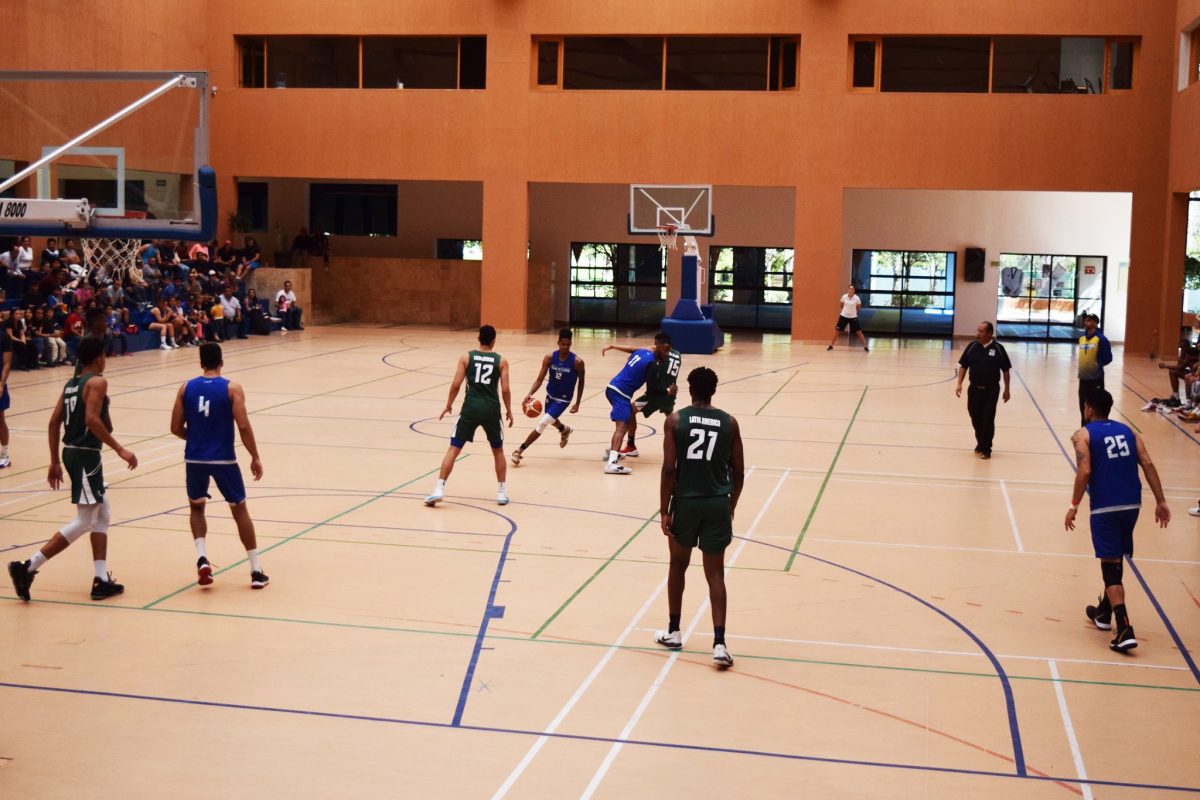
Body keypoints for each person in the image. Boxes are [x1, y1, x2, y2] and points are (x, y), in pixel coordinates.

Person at [7, 337, 138, 602]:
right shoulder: (97, 382)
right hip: (86, 454)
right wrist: (120, 449)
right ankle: (27, 567)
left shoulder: (71, 384)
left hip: (72, 453)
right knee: (85, 520)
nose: (106, 360)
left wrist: (54, 460)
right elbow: (91, 419)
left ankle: (101, 579)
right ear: (97, 357)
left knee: (103, 513)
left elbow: (54, 422)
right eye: (104, 355)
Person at [1065, 388, 1170, 653]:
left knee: (1109, 565)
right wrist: (1161, 501)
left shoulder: (1083, 434)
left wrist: (1073, 505)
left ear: (1088, 408)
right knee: (1114, 557)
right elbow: (1147, 463)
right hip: (1132, 503)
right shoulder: (1129, 431)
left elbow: (1085, 470)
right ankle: (1103, 613)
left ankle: (1124, 628)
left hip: (1105, 506)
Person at [654, 367, 745, 668]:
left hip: (687, 503)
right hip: (717, 503)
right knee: (715, 574)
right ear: (714, 390)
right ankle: (719, 643)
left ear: (690, 389)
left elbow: (669, 468)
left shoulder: (676, 420)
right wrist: (731, 503)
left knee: (678, 566)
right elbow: (739, 471)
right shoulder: (729, 423)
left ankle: (674, 631)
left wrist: (664, 508)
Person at [170, 343, 268, 589]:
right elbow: (243, 426)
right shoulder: (232, 388)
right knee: (239, 510)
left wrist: (194, 439)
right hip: (223, 459)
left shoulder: (186, 388)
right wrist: (254, 456)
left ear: (201, 363)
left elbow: (174, 427)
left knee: (196, 508)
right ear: (221, 362)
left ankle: (202, 558)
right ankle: (256, 571)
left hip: (194, 459)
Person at [424, 325, 514, 506]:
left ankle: (439, 488)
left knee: (454, 449)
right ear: (493, 340)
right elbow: (505, 389)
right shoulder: (501, 361)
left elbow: (456, 384)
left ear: (478, 338)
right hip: (491, 410)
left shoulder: (467, 357)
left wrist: (448, 404)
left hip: (470, 409)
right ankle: (501, 492)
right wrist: (509, 410)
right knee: (498, 451)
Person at [600, 332, 672, 474]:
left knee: (627, 420)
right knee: (621, 427)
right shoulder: (652, 364)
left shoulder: (643, 351)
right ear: (660, 347)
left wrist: (613, 346)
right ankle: (611, 463)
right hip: (620, 392)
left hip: (614, 388)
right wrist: (668, 391)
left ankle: (612, 451)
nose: (668, 354)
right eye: (666, 350)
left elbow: (631, 349)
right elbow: (652, 391)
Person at [511, 328, 584, 465]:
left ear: (571, 344)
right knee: (550, 419)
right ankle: (564, 429)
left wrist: (577, 402)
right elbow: (539, 379)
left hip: (563, 399)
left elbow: (581, 382)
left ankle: (519, 451)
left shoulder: (577, 362)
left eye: (568, 345)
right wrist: (530, 393)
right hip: (550, 395)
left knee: (543, 422)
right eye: (563, 344)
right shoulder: (550, 358)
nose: (565, 347)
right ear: (558, 343)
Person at [955, 321, 1011, 459]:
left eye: (981, 331)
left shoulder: (998, 349)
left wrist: (1007, 390)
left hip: (991, 390)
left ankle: (986, 448)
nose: (977, 334)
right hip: (974, 389)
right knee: (975, 417)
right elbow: (963, 366)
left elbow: (1005, 371)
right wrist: (959, 384)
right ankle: (981, 442)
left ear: (990, 333)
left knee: (988, 418)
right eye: (977, 330)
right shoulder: (972, 346)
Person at [1145, 340, 1199, 410]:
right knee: (1173, 372)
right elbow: (1179, 365)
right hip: (1191, 372)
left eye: (1184, 347)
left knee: (1187, 377)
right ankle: (1176, 396)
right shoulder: (1184, 354)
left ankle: (1191, 401)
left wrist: (1165, 366)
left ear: (1188, 347)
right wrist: (1181, 356)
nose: (1182, 349)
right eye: (1181, 347)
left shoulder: (1190, 353)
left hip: (1195, 374)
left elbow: (1180, 367)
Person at [827, 283, 869, 352]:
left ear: (854, 290)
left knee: (859, 332)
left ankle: (865, 347)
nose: (850, 290)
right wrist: (846, 311)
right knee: (837, 332)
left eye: (852, 289)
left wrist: (852, 312)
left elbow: (858, 308)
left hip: (853, 317)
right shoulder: (844, 297)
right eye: (849, 289)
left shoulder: (857, 298)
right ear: (847, 289)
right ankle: (831, 345)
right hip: (843, 316)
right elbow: (841, 305)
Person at [0, 318, 10, 468]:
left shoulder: (4, 337)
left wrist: (2, 383)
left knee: (0, 420)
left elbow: (7, 363)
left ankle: (4, 454)